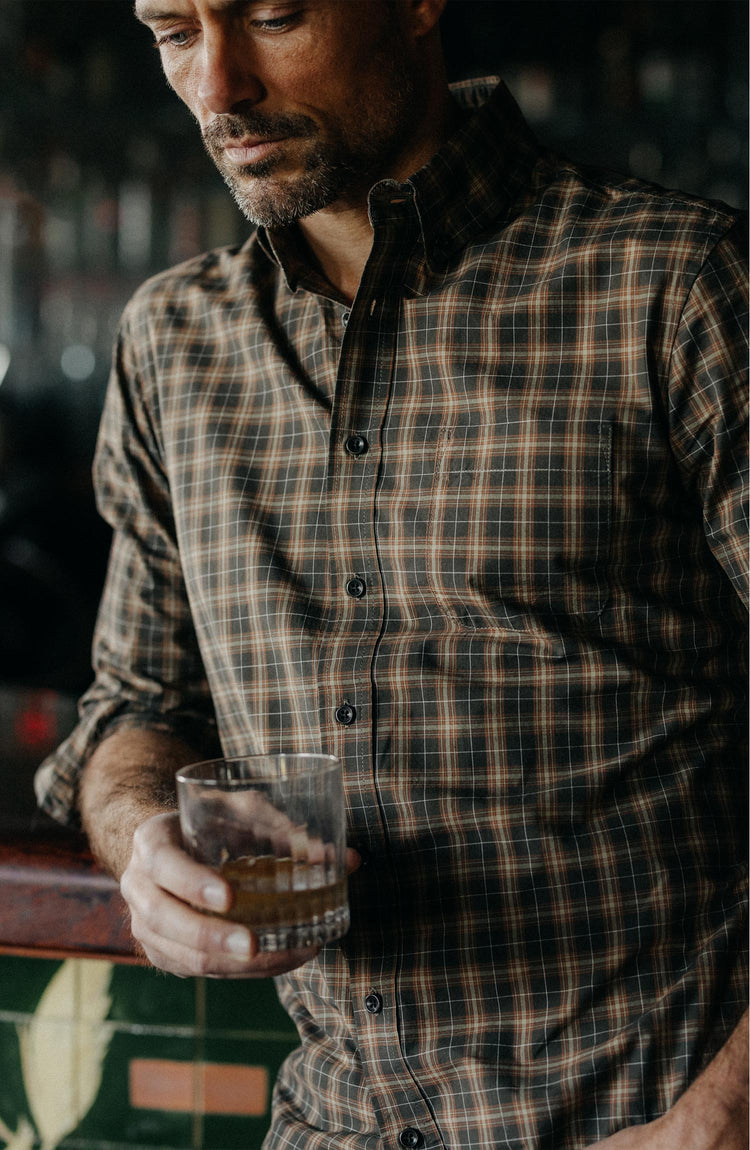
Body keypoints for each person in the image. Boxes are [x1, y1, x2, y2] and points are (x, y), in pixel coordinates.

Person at [36, 1, 748, 1147]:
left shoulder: (676, 285)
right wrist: (142, 838)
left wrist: (724, 1117)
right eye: (174, 32)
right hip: (336, 1122)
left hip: (651, 1118)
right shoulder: (173, 341)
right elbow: (136, 705)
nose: (218, 90)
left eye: (273, 15)